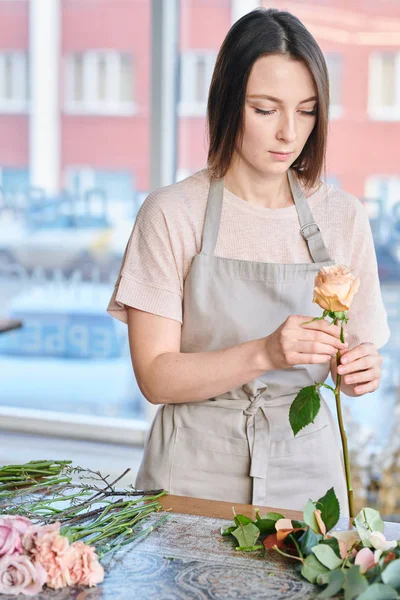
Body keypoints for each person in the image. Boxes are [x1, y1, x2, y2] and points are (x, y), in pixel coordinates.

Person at [107, 7, 390, 514]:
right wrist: (263, 353)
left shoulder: (343, 216)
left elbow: (350, 356)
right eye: (265, 109)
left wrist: (358, 371)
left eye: (306, 110)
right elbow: (154, 377)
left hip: (309, 477)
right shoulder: (172, 213)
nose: (289, 132)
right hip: (191, 471)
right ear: (228, 102)